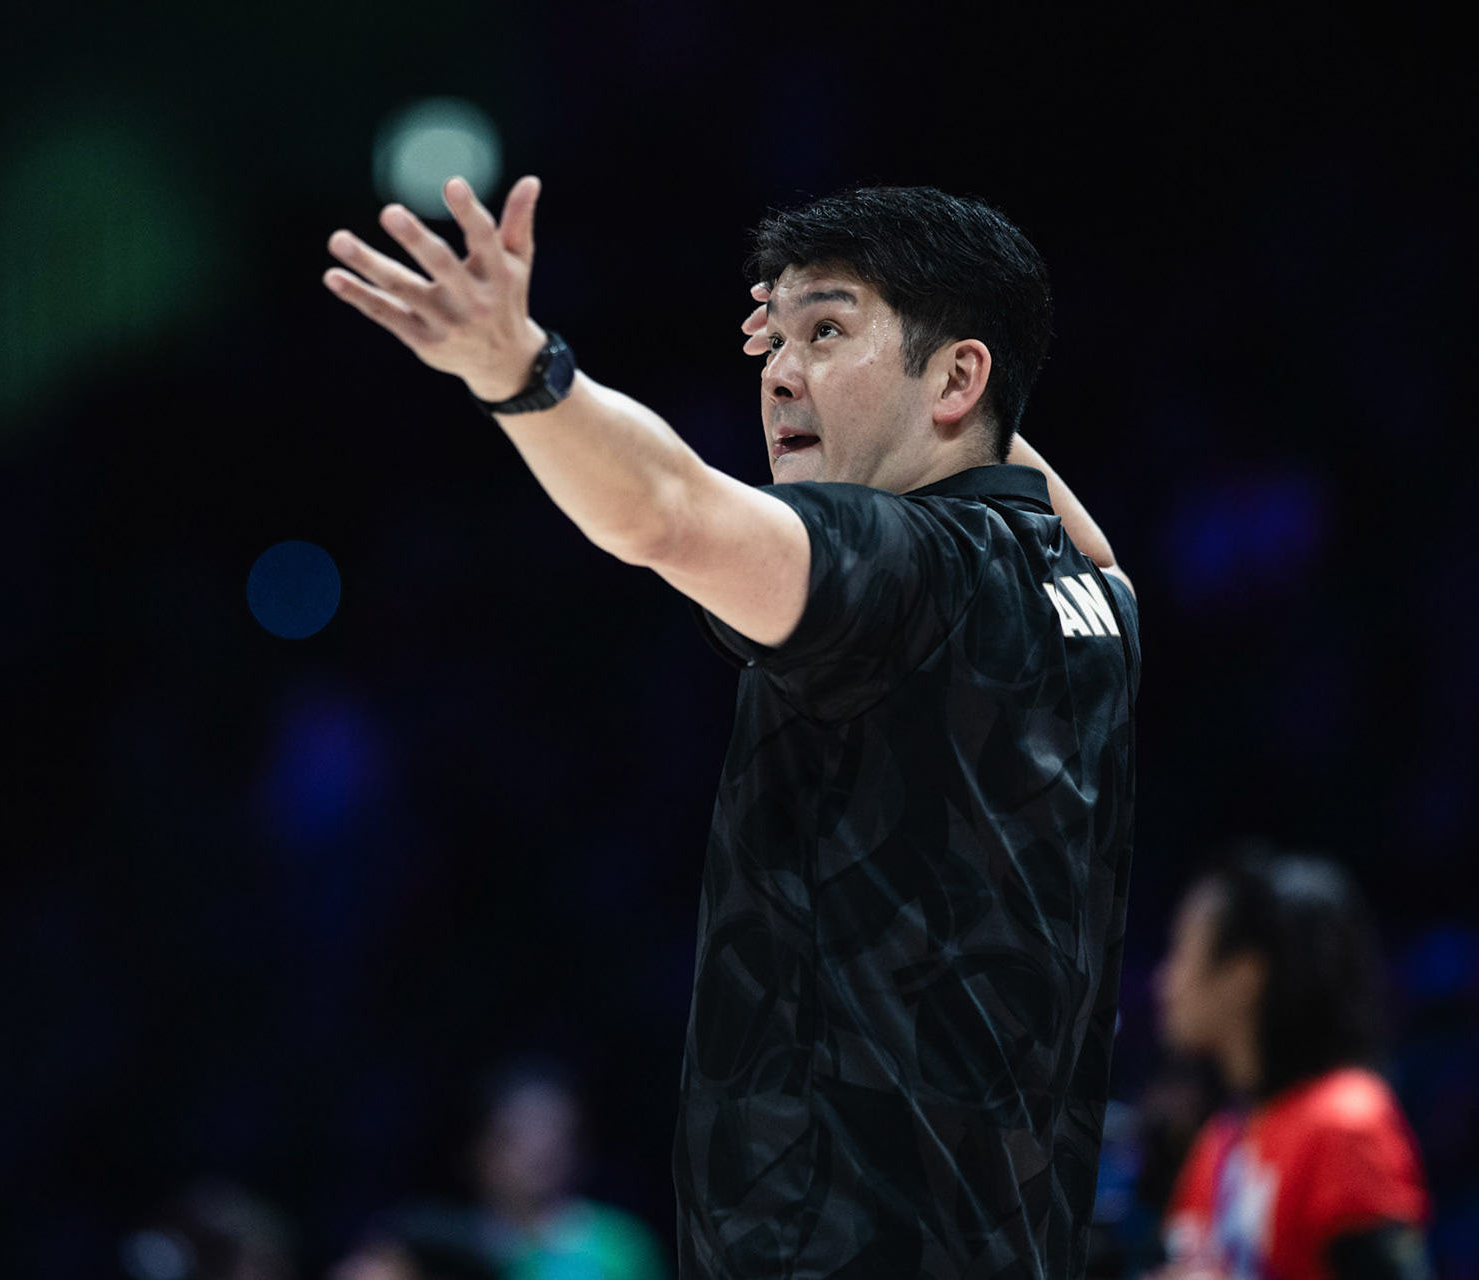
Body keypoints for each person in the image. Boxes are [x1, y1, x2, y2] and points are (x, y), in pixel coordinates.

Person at [323, 178, 1138, 1279]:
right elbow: (1052, 510)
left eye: (829, 330)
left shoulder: (900, 569)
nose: (780, 370)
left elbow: (669, 510)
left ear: (956, 375)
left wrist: (518, 370)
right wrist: (948, 373)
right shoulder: (1094, 603)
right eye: (780, 335)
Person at [1150, 854, 1432, 1280]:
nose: (1164, 981)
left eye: (1182, 948)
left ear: (1245, 975)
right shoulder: (1221, 1138)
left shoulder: (1346, 1121)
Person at [465, 1059, 666, 1280]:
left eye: (556, 1135)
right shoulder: (451, 1242)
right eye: (518, 1137)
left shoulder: (622, 1243)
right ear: (480, 1150)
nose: (540, 1151)